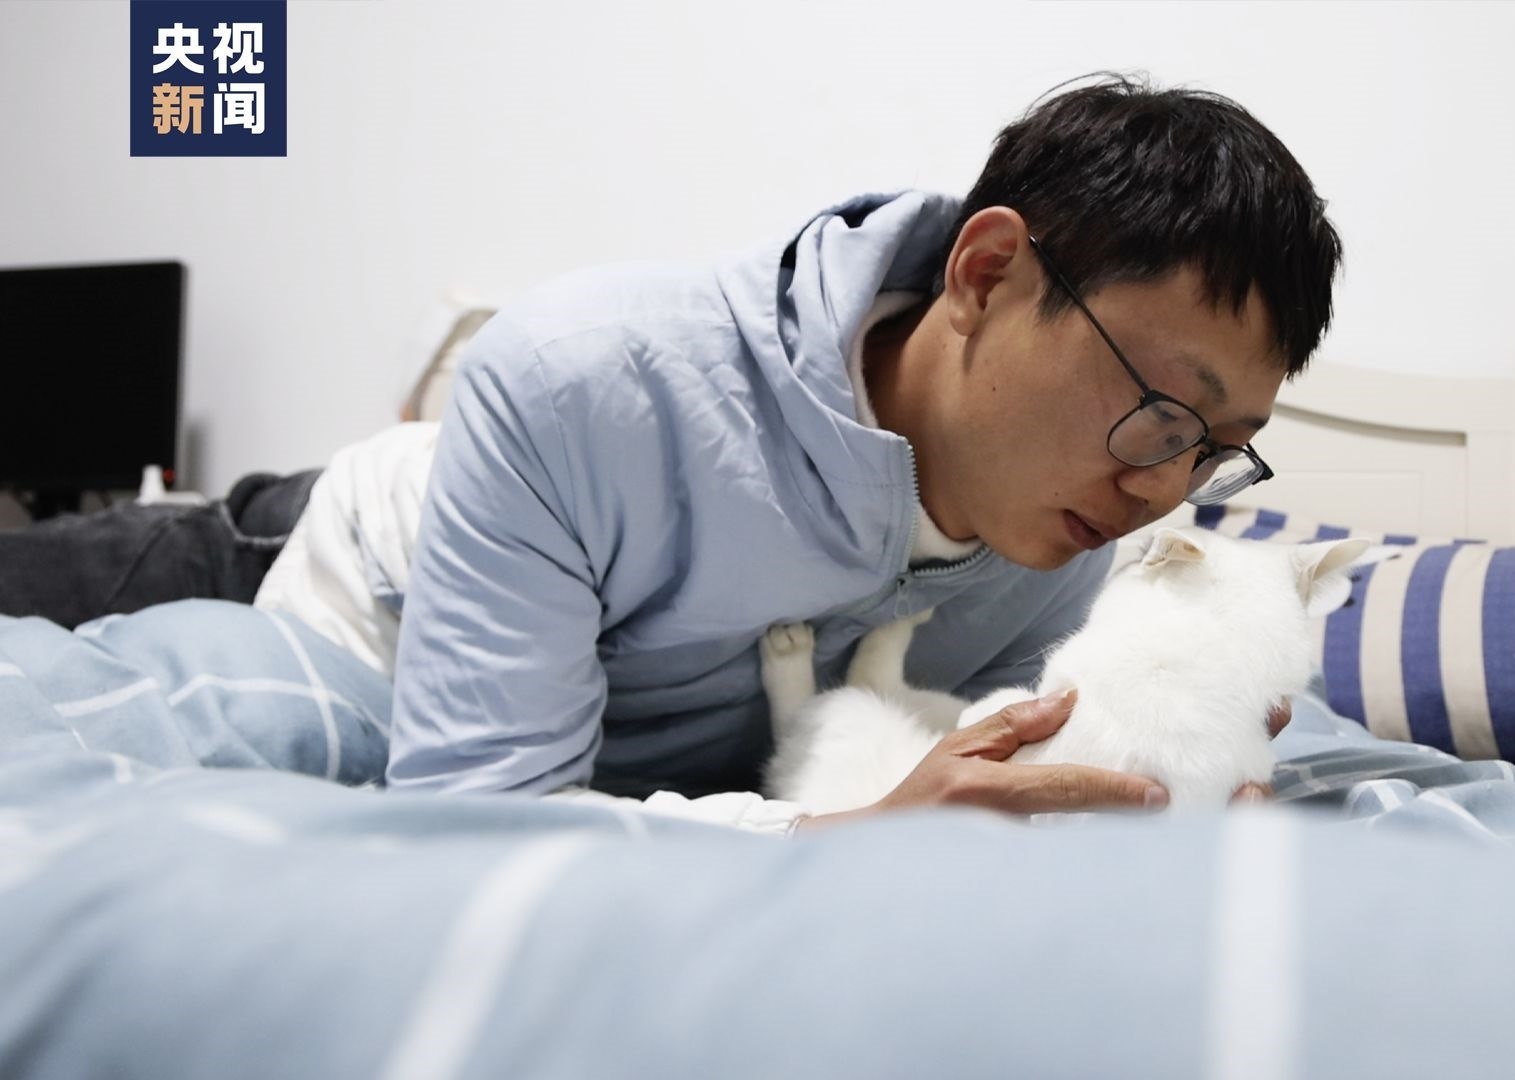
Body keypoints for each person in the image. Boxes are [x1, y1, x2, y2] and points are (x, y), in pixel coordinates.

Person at [0, 73, 1343, 834]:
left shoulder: (1067, 543)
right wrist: (830, 838)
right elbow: (482, 828)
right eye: (1160, 412)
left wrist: (1150, 762)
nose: (1159, 489)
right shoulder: (584, 374)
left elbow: (964, 778)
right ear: (987, 275)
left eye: (1215, 451)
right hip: (330, 567)